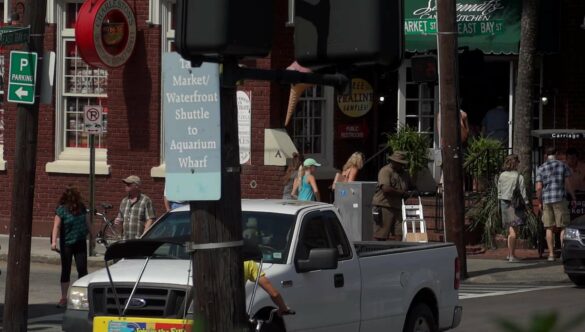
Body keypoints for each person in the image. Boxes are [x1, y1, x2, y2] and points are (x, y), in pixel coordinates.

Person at [50, 186, 91, 308]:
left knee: (82, 269)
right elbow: (56, 226)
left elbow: (88, 223)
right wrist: (53, 242)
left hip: (80, 241)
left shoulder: (82, 208)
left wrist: (93, 237)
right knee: (66, 269)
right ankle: (63, 297)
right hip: (66, 243)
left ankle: (83, 297)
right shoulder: (61, 210)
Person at [535, 147, 577, 261]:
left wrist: (540, 201)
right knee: (563, 226)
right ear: (556, 154)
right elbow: (568, 184)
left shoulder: (541, 168)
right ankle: (563, 254)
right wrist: (573, 197)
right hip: (560, 198)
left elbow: (538, 188)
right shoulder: (562, 165)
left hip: (547, 200)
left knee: (549, 227)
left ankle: (551, 254)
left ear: (545, 155)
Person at [371, 151, 411, 240]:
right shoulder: (385, 171)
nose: (401, 165)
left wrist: (412, 192)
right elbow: (386, 189)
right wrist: (402, 193)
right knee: (381, 234)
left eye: (402, 164)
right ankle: (378, 253)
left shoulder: (405, 174)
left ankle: (396, 252)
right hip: (384, 205)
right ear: (393, 162)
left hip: (398, 206)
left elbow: (411, 186)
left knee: (399, 233)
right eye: (399, 163)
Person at [497, 155, 530, 262]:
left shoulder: (502, 175)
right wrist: (527, 204)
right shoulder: (519, 177)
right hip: (515, 205)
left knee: (510, 229)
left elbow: (499, 190)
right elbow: (523, 193)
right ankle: (512, 256)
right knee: (514, 231)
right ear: (515, 163)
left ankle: (510, 253)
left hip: (503, 202)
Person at [115, 175, 156, 240]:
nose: (126, 186)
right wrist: (118, 222)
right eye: (126, 184)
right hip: (125, 239)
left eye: (128, 184)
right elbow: (120, 220)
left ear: (136, 186)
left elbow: (150, 219)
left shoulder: (145, 200)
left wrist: (144, 236)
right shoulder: (124, 201)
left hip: (138, 240)